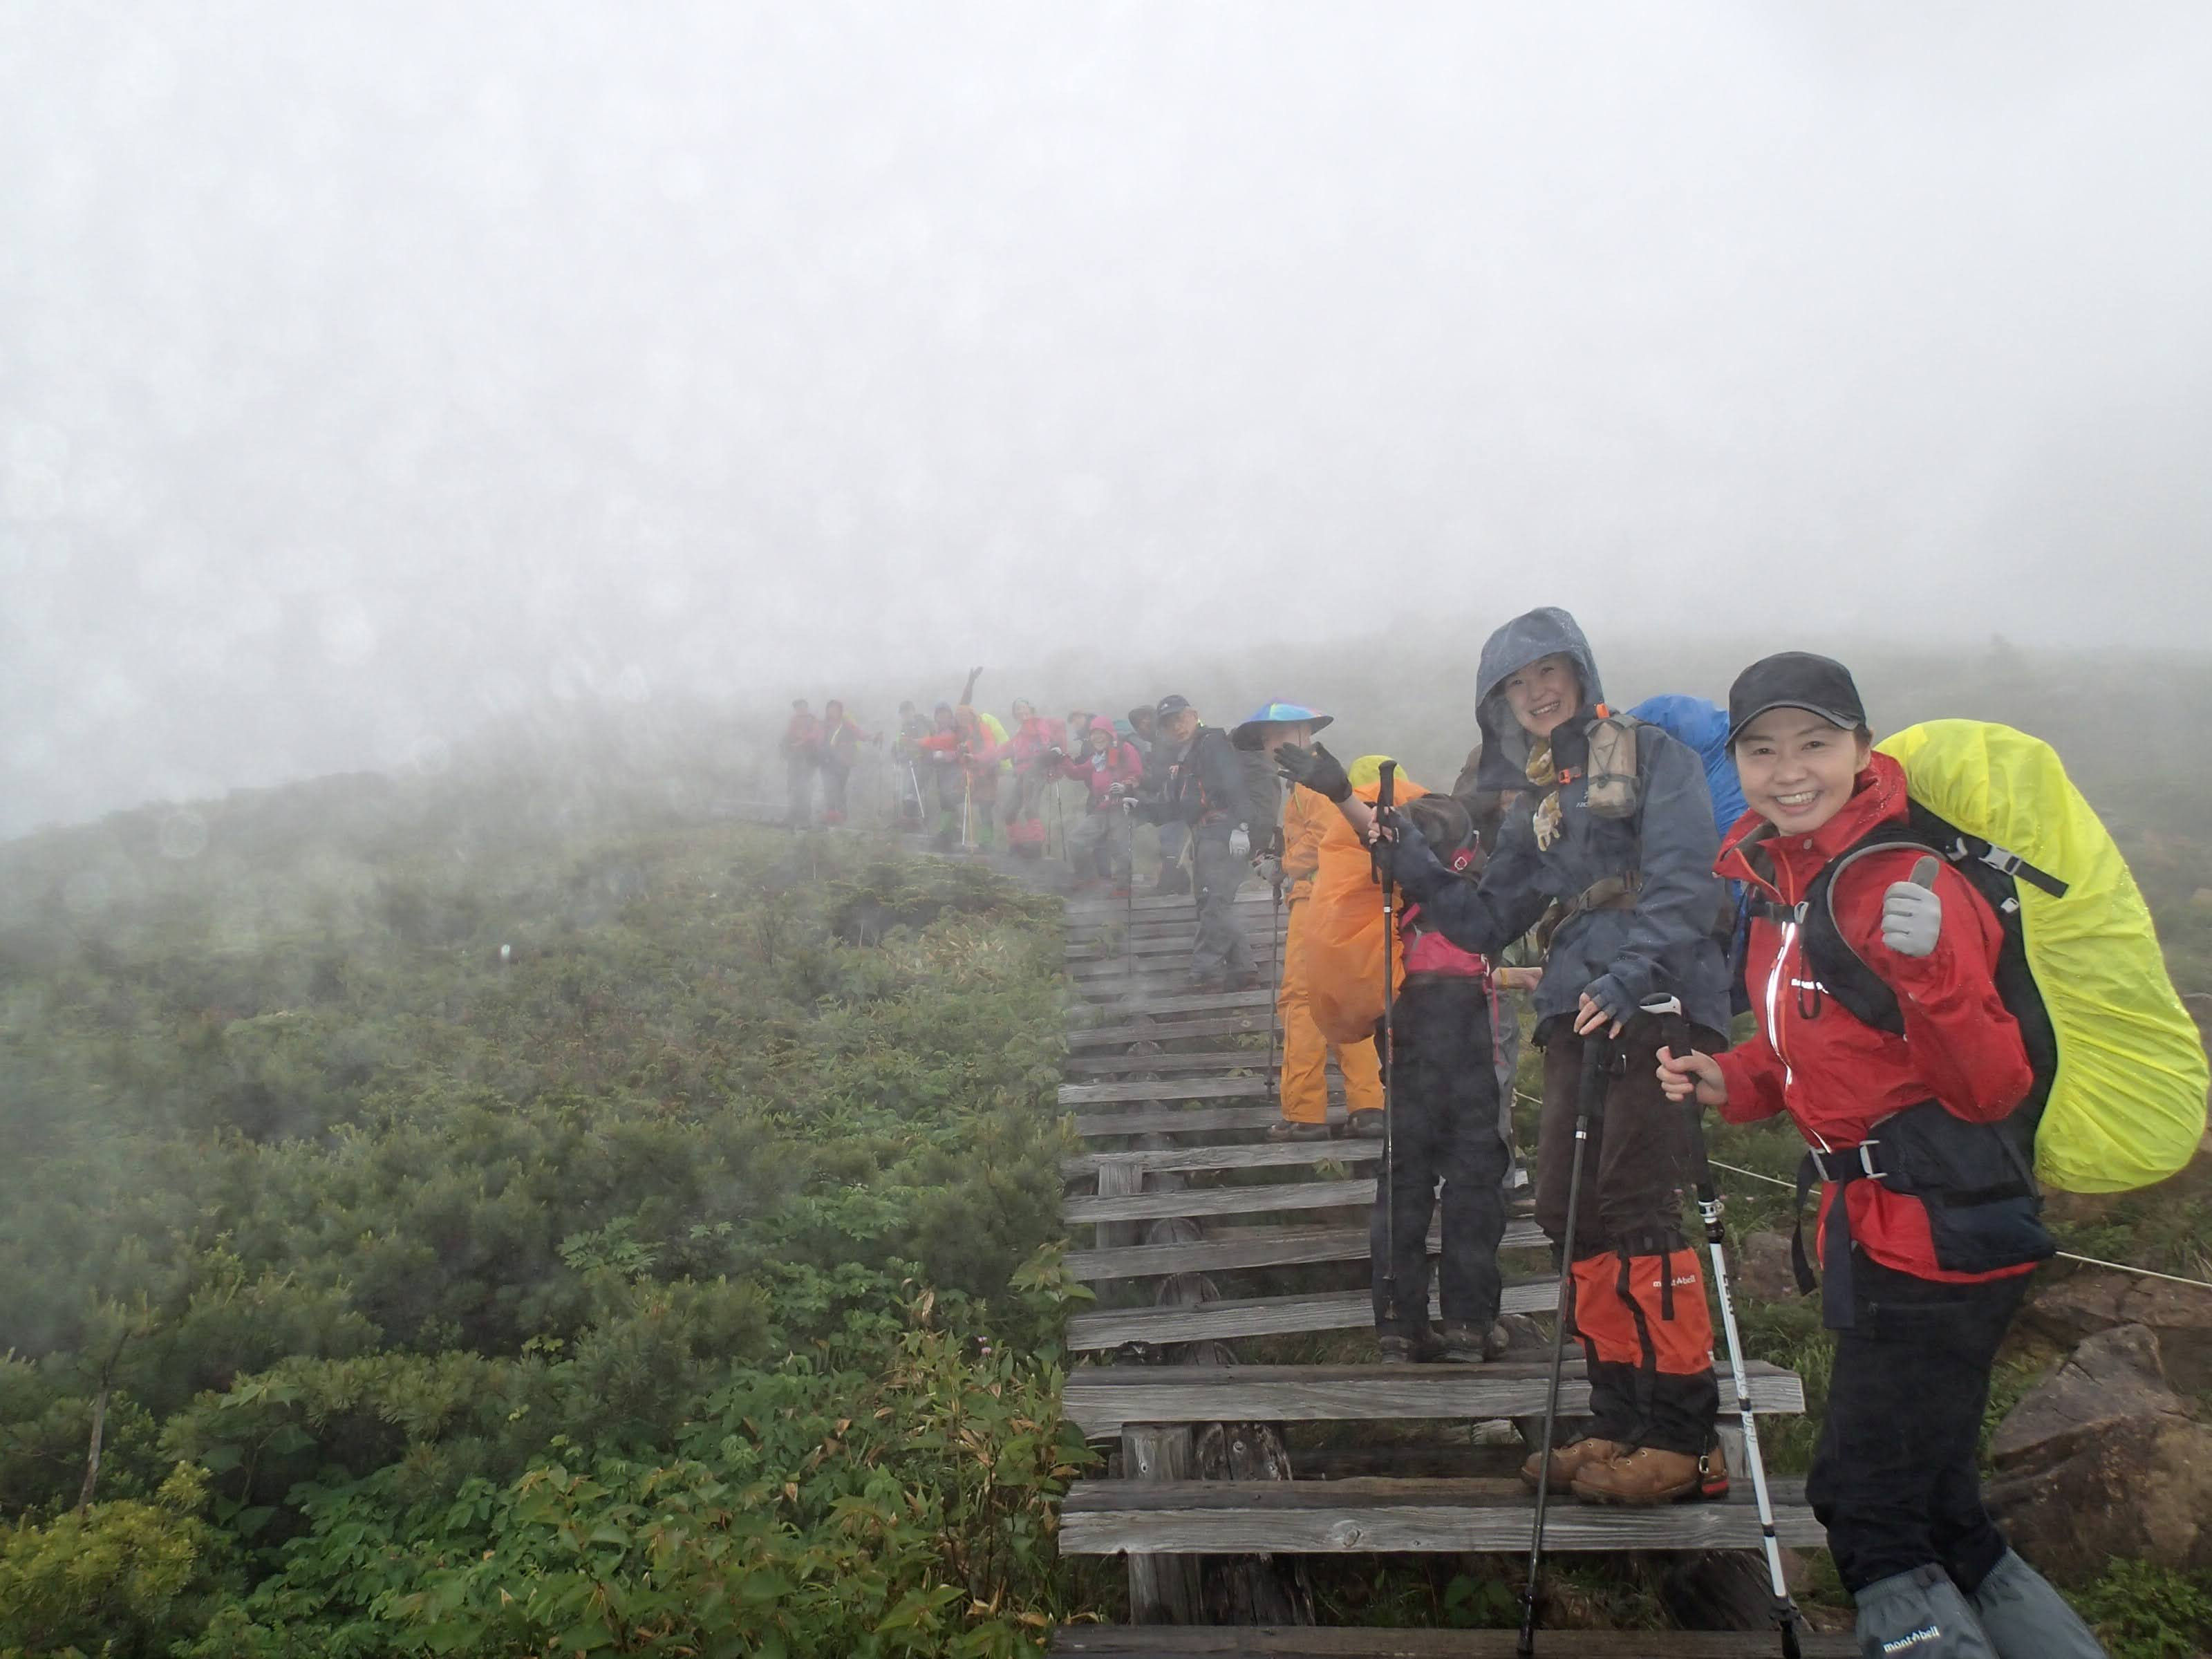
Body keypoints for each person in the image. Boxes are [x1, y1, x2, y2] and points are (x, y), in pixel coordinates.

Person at [1658, 653, 2105, 1659]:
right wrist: (1731, 1077)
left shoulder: (1903, 878)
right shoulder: (1784, 883)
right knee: (1944, 1508)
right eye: (1763, 748)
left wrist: (1937, 966)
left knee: (1864, 1509)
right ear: (1738, 762)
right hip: (1879, 1228)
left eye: (1815, 742)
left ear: (1863, 750)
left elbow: (1989, 1088)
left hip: (1937, 1238)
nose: (1789, 769)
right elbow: (1808, 1053)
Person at [1374, 608, 1734, 1506]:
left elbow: (1689, 881)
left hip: (1654, 1001)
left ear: (1580, 673)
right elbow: (1485, 920)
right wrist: (1413, 866)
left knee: (1638, 1203)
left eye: (1547, 674)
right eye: (1513, 684)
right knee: (1573, 1209)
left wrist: (1633, 974)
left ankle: (1686, 1438)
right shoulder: (1541, 800)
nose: (1534, 693)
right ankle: (1617, 1419)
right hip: (1578, 1004)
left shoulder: (1652, 756)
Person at [1230, 702, 1385, 1144]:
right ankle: (1370, 1106)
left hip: (1317, 900)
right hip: (1343, 901)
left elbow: (1323, 838)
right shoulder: (1316, 778)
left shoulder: (1312, 782)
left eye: (1277, 735)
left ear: (1303, 732)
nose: (1270, 746)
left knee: (1301, 1000)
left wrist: (1284, 867)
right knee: (1348, 1000)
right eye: (1265, 739)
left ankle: (1305, 1113)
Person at [1130, 694, 1254, 989]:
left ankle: (1205, 972)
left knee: (1213, 902)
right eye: (1169, 723)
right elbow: (1175, 808)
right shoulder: (1184, 757)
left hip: (1221, 830)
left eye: (1179, 718)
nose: (1176, 726)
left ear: (1193, 714)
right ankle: (1243, 969)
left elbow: (1235, 784)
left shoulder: (1211, 744)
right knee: (1213, 902)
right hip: (1204, 834)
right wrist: (1140, 808)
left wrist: (1242, 827)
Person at [1059, 716, 1144, 890]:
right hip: (1101, 809)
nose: (1097, 737)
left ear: (1110, 733)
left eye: (1101, 733)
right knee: (1077, 840)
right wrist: (1063, 758)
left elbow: (1136, 773)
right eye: (1093, 734)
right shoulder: (1096, 758)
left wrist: (1125, 786)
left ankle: (1123, 888)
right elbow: (1077, 773)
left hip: (1121, 807)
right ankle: (1088, 879)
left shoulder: (1125, 749)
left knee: (1120, 849)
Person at [1137, 697, 1192, 896]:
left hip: (1180, 799)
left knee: (1169, 841)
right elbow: (1159, 778)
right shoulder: (1156, 746)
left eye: (1147, 720)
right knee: (1168, 841)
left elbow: (1176, 769)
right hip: (1169, 800)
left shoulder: (1169, 740)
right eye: (1140, 724)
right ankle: (1180, 884)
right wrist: (1140, 783)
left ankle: (1169, 884)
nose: (1144, 726)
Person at [1002, 700, 1063, 856]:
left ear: (1031, 709)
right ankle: (1017, 844)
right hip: (1023, 773)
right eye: (1017, 709)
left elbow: (1045, 741)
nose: (1021, 711)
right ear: (1014, 713)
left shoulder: (1038, 724)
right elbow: (1004, 750)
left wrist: (1049, 756)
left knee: (1030, 807)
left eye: (1024, 707)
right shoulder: (1019, 733)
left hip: (1036, 770)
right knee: (1010, 811)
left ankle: (1035, 844)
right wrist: (978, 759)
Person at [816, 699, 876, 825]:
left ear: (840, 712)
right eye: (830, 710)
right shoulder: (824, 725)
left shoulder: (846, 724)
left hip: (843, 762)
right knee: (828, 788)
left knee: (839, 789)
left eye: (835, 710)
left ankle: (842, 817)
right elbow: (816, 739)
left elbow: (859, 733)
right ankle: (831, 815)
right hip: (826, 761)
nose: (832, 712)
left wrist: (872, 738)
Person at [780, 698, 823, 827]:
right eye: (798, 708)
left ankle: (804, 817)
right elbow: (787, 737)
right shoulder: (794, 721)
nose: (800, 710)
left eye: (802, 707)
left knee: (805, 786)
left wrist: (801, 742)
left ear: (806, 708)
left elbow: (815, 735)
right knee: (794, 786)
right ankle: (792, 815)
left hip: (809, 758)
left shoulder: (812, 720)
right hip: (795, 759)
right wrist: (785, 751)